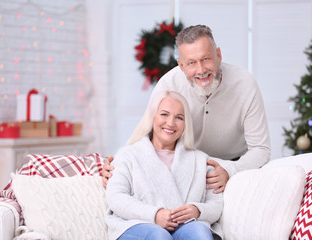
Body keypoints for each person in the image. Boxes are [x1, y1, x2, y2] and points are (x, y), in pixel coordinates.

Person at [103, 24, 270, 193]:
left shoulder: (245, 84)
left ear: (218, 55)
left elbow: (261, 149)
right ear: (181, 66)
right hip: (189, 166)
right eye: (191, 63)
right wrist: (118, 165)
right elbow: (147, 132)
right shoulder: (168, 85)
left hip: (236, 164)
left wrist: (231, 171)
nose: (201, 70)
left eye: (206, 59)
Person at [105, 91, 223, 240]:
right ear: (152, 117)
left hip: (185, 227)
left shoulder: (201, 160)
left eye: (179, 117)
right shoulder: (128, 155)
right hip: (137, 225)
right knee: (159, 235)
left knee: (199, 231)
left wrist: (198, 210)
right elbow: (116, 197)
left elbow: (216, 204)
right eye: (164, 114)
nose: (171, 123)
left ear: (186, 124)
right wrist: (155, 215)